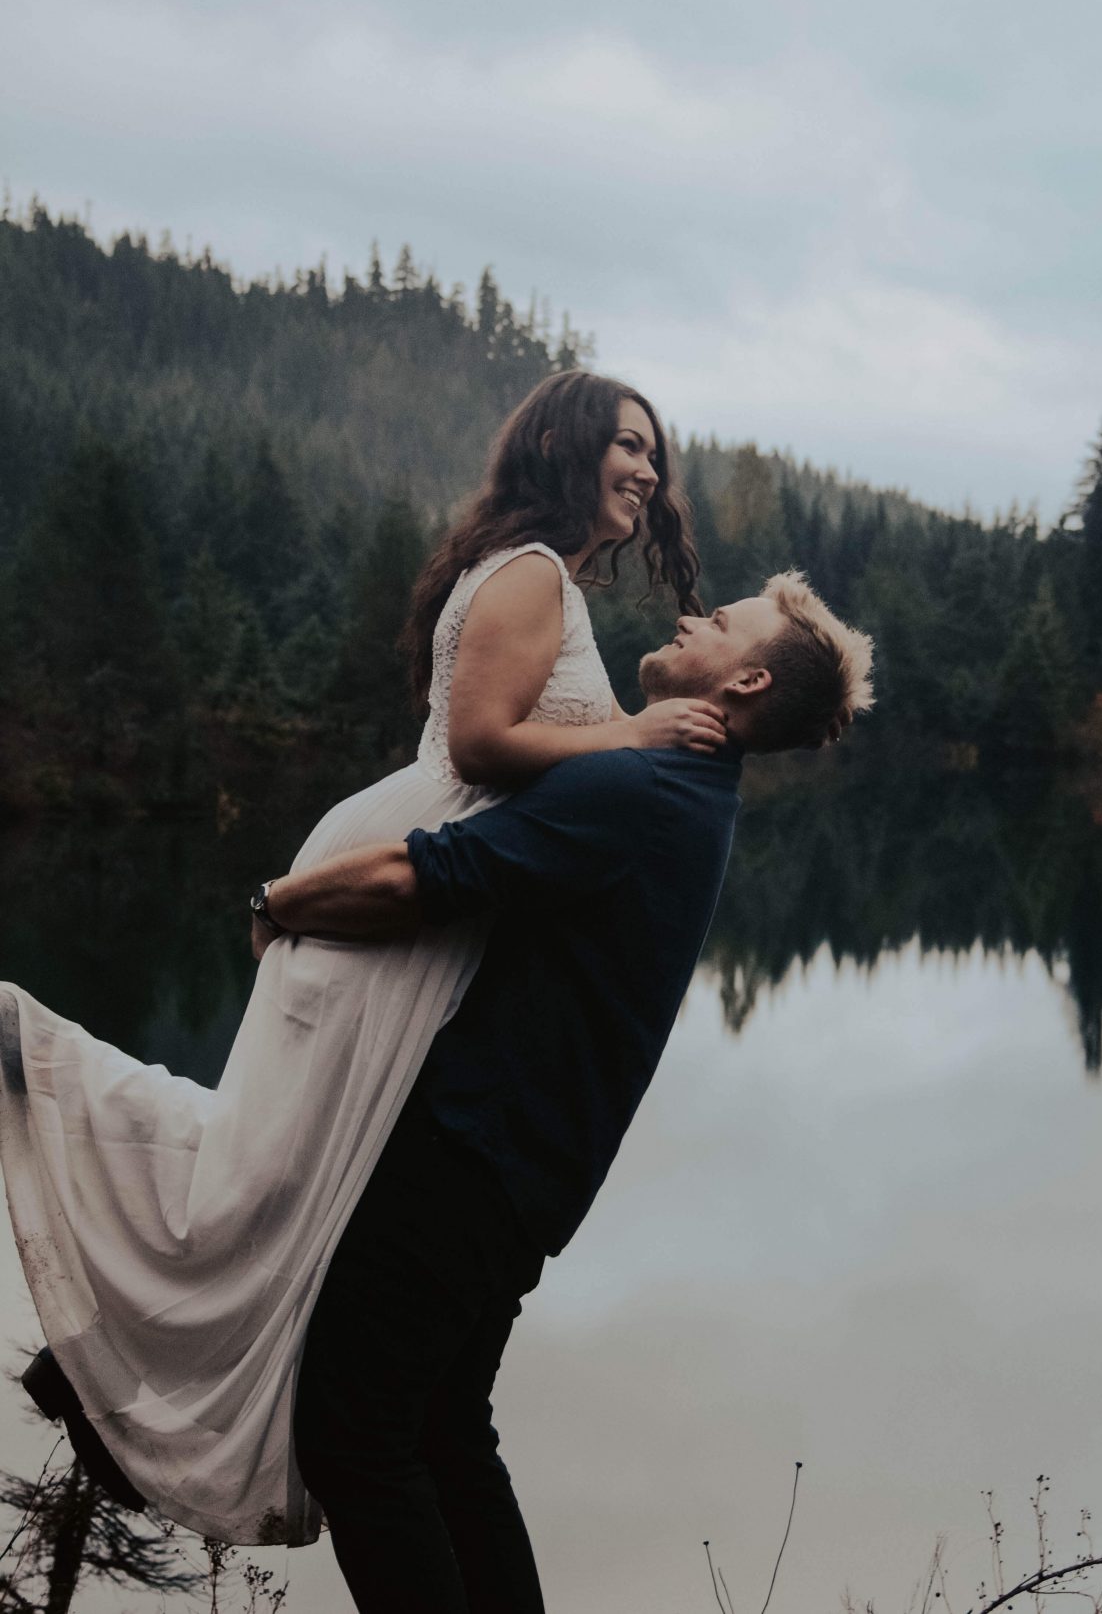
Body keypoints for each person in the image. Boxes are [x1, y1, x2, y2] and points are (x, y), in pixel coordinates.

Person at [0, 371, 721, 1544]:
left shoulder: (543, 577)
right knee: (275, 1158)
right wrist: (633, 736)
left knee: (298, 1163)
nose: (648, 470)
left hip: (431, 893)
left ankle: (151, 1366)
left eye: (656, 453)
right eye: (628, 446)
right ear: (566, 445)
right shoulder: (536, 573)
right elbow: (483, 744)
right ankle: (54, 1109)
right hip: (404, 877)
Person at [255, 570, 875, 1613]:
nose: (692, 617)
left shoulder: (640, 792)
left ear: (748, 678)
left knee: (354, 1435)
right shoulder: (682, 790)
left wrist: (278, 899)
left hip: (471, 1158)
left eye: (718, 622)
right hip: (522, 1177)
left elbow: (425, 879)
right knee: (444, 1432)